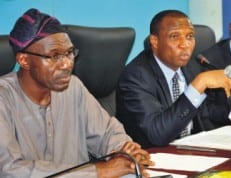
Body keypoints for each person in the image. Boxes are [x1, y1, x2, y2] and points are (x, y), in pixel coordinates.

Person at [0, 8, 153, 178]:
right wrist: (99, 171)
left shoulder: (73, 87)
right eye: (55, 56)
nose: (66, 64)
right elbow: (10, 170)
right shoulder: (3, 99)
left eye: (69, 53)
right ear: (24, 60)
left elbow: (107, 134)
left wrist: (125, 150)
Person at [116, 10, 231, 148]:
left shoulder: (192, 66)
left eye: (189, 36)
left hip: (191, 150)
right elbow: (157, 134)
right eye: (174, 36)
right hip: (153, 158)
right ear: (155, 41)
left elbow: (206, 114)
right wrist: (198, 85)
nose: (185, 44)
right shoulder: (136, 76)